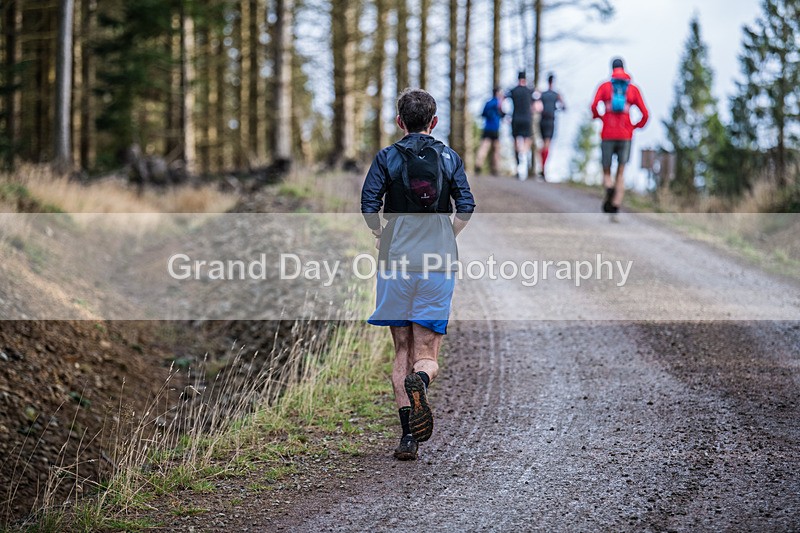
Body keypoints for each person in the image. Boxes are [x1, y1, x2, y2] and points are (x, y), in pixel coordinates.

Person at [361, 88, 476, 461]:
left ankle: (408, 437)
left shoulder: (387, 157)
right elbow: (467, 206)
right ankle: (422, 380)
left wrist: (381, 234)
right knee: (426, 353)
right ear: (434, 121)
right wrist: (447, 234)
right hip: (437, 264)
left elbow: (368, 204)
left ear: (399, 122)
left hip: (395, 262)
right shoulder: (448, 157)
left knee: (402, 350)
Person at [591, 57, 649, 220]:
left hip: (608, 132)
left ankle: (609, 187)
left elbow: (594, 106)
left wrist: (600, 117)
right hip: (626, 135)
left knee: (606, 170)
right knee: (621, 172)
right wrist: (634, 126)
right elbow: (645, 114)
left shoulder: (605, 87)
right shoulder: (632, 89)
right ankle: (615, 204)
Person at [533, 73, 565, 181]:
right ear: (553, 81)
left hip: (542, 120)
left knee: (543, 144)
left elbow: (535, 106)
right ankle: (543, 168)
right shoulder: (556, 94)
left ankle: (541, 166)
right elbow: (564, 106)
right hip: (550, 120)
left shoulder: (542, 94)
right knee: (547, 145)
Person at [507, 71, 535, 180]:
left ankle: (518, 160)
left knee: (515, 141)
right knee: (527, 140)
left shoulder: (513, 91)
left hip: (515, 118)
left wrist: (505, 115)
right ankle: (523, 153)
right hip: (527, 119)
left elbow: (501, 102)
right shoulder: (530, 91)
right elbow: (538, 106)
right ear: (525, 79)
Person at [475, 87, 505, 175]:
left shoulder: (488, 103)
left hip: (487, 128)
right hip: (495, 128)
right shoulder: (498, 102)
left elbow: (483, 114)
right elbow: (502, 114)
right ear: (498, 93)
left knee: (484, 147)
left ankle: (478, 165)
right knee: (496, 149)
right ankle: (496, 168)